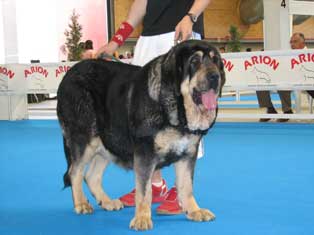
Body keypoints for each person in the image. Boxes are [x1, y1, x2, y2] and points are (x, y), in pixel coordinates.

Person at [96, 0, 211, 215]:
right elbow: (141, 4)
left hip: (182, 34)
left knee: (188, 116)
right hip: (148, 41)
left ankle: (181, 192)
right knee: (143, 119)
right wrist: (115, 41)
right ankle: (155, 185)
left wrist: (191, 17)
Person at [289, 32, 314, 99]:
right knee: (281, 88)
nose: (292, 44)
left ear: (303, 43)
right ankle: (287, 109)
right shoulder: (288, 56)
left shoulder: (311, 54)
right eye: (291, 42)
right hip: (293, 81)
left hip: (308, 81)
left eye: (295, 42)